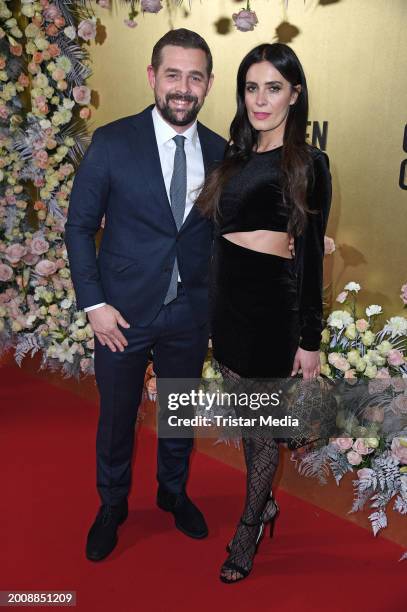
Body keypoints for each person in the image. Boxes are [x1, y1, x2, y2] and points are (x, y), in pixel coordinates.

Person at [65, 29, 226, 561]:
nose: (183, 88)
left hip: (188, 312)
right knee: (117, 416)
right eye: (173, 74)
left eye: (195, 76)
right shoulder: (113, 142)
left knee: (179, 411)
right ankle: (111, 505)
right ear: (153, 76)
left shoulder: (221, 152)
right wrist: (94, 306)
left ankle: (172, 493)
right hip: (121, 315)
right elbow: (79, 226)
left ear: (207, 84)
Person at [197, 43, 332, 583]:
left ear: (294, 95)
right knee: (249, 424)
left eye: (273, 87)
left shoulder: (308, 163)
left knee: (258, 433)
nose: (260, 99)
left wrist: (309, 339)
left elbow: (310, 256)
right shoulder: (232, 158)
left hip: (271, 314)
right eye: (252, 87)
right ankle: (263, 507)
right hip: (226, 308)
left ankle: (250, 524)